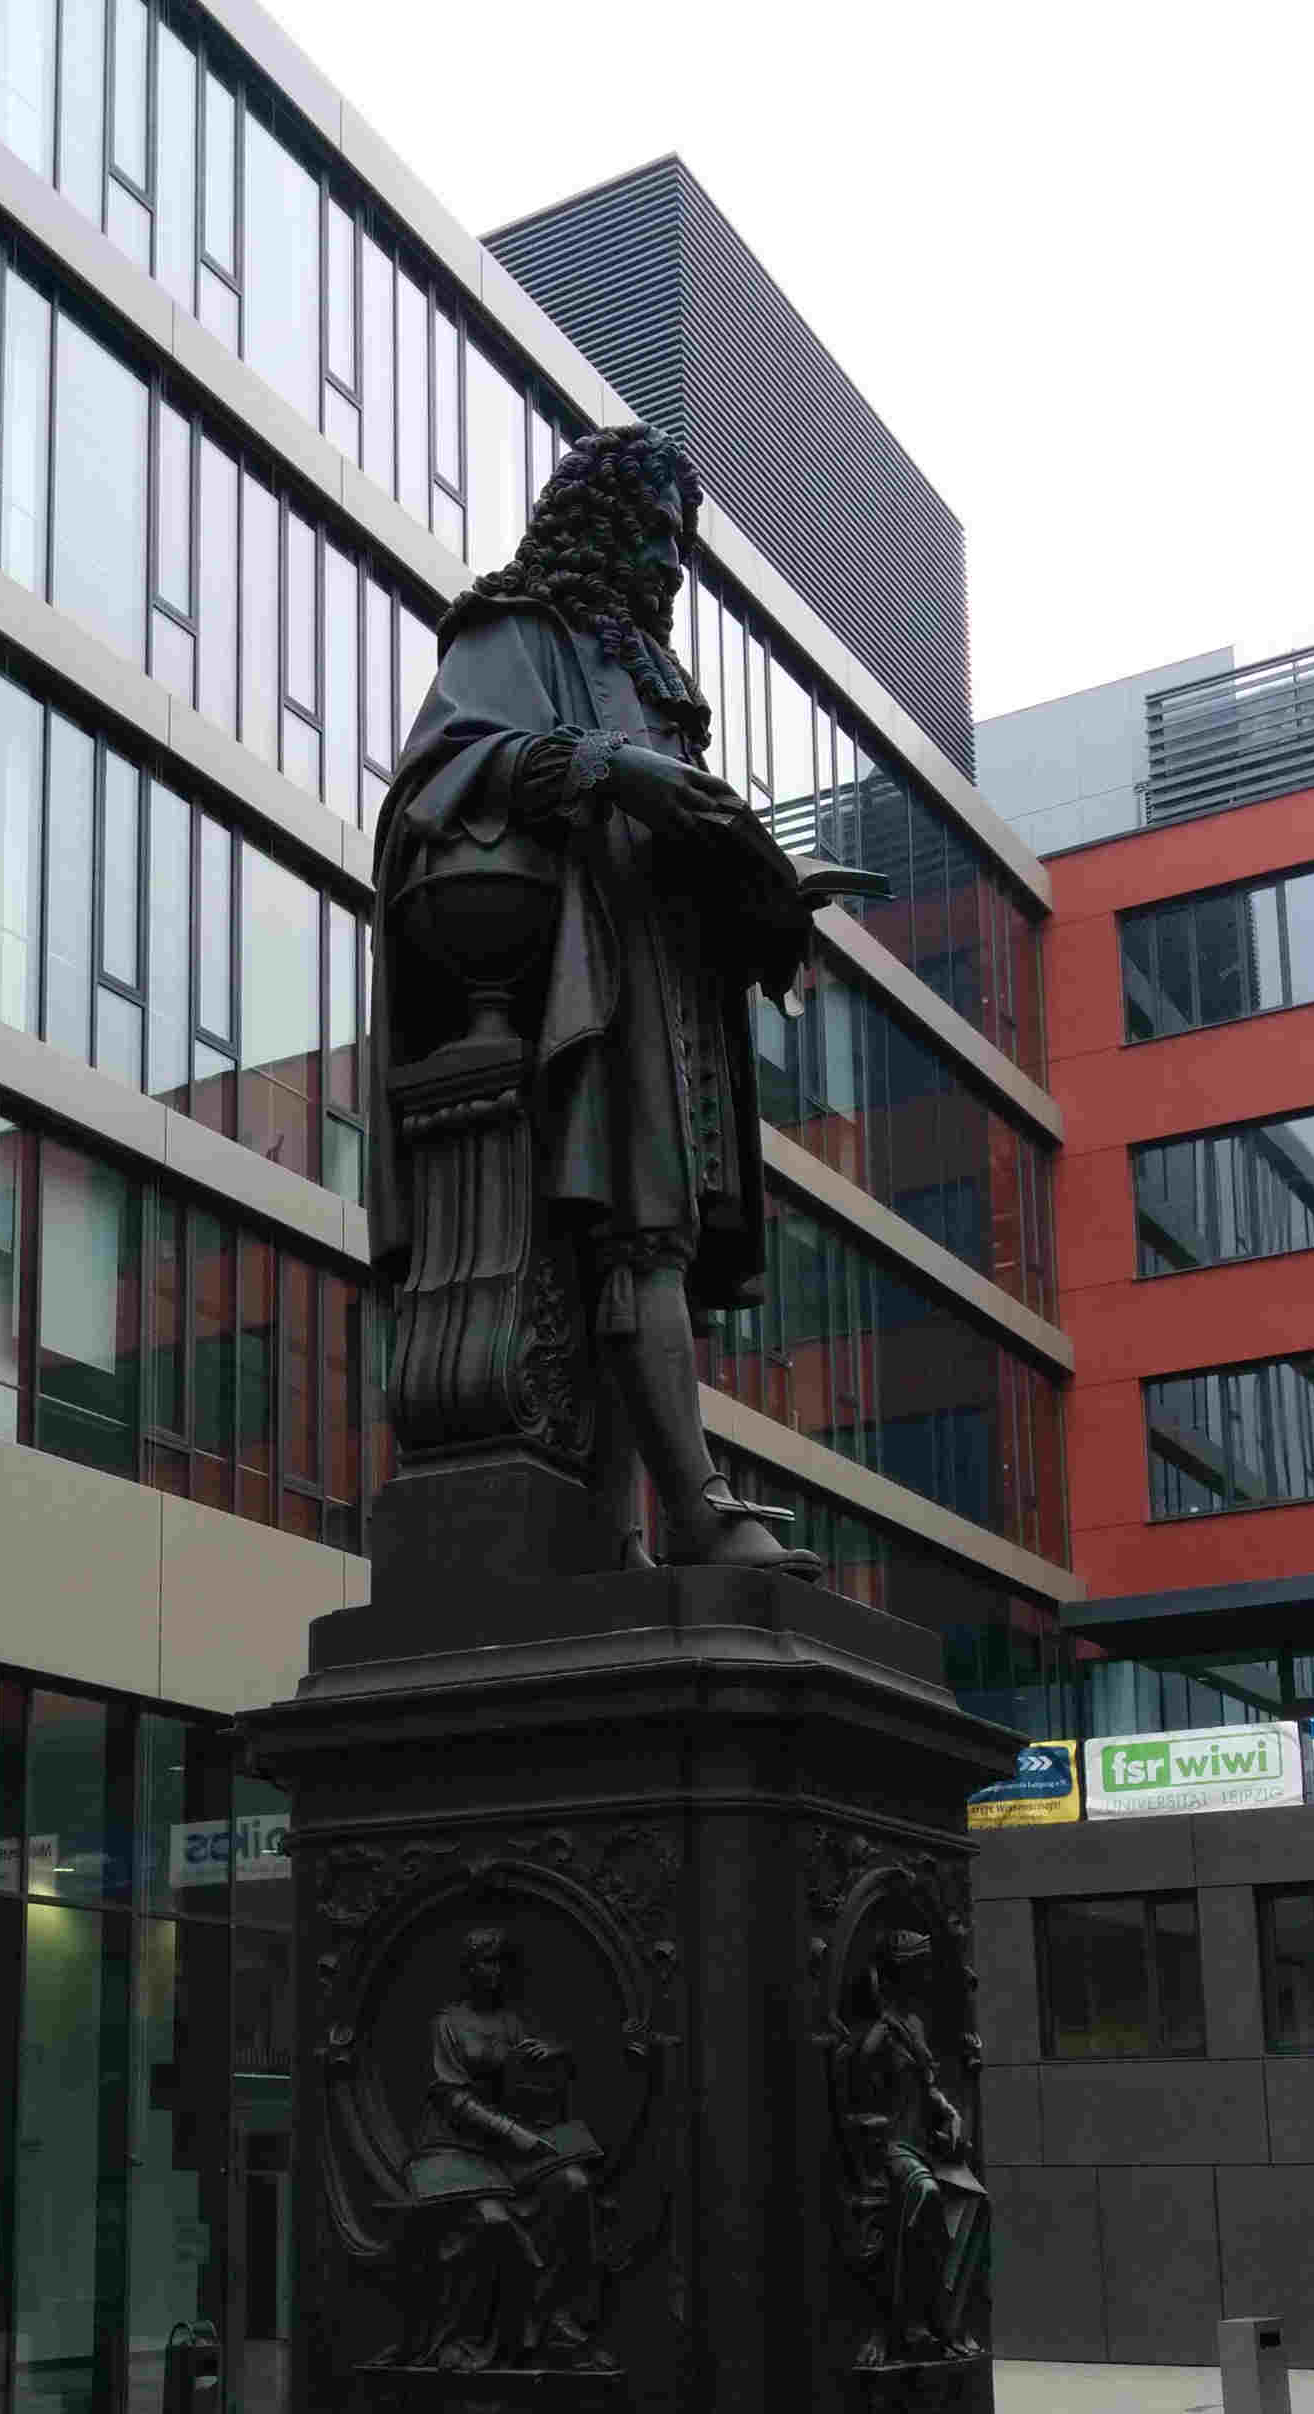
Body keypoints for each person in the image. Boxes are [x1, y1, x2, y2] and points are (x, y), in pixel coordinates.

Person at [368, 422, 850, 1575]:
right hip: (577, 985)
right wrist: (603, 767)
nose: (671, 567)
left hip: (669, 976)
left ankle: (627, 1530)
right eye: (655, 536)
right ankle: (691, 1508)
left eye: (678, 544)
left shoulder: (641, 671)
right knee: (638, 1238)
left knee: (651, 1244)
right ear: (600, 525)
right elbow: (437, 778)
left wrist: (761, 895)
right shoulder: (517, 632)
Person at [390, 1926, 608, 2369]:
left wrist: (554, 2054)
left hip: (508, 2152)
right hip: (455, 2150)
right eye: (485, 1963)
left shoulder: (513, 2021)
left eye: (501, 1962)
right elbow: (451, 2099)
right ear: (467, 1970)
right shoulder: (446, 2025)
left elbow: (533, 2079)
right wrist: (512, 2132)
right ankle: (465, 2339)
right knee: (491, 2222)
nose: (494, 1972)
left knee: (574, 2185)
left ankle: (549, 2320)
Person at [833, 1925, 991, 2364]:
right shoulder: (879, 2036)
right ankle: (901, 2321)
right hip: (890, 2149)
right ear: (899, 1975)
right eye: (918, 1969)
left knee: (974, 2202)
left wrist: (949, 2113)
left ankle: (947, 2320)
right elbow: (857, 2105)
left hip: (922, 2144)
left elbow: (929, 2088)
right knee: (925, 2193)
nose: (925, 1977)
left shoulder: (915, 2024)